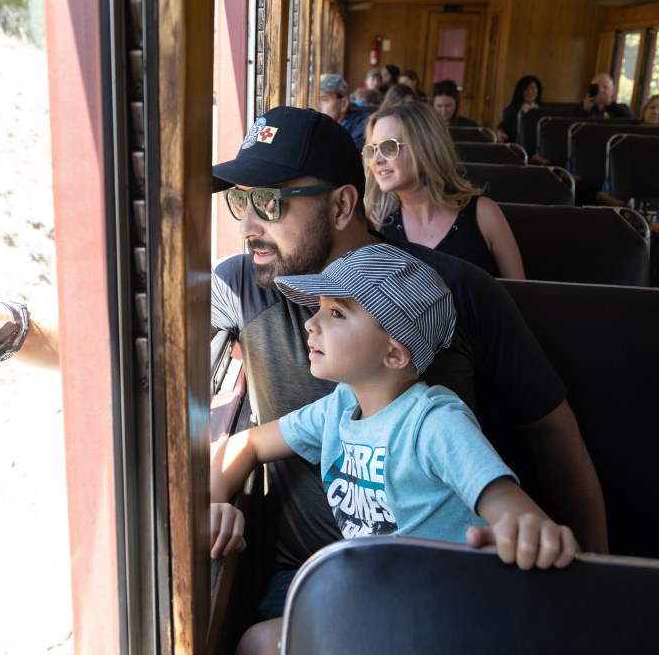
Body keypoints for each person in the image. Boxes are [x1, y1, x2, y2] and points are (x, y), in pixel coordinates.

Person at [211, 105, 606, 625]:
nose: (247, 227)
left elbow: (551, 434)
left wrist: (596, 588)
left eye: (269, 202)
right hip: (310, 579)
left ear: (341, 206)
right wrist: (209, 497)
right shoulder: (242, 283)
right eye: (241, 201)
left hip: (435, 586)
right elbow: (160, 353)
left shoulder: (455, 292)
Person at [210, 244, 577, 655]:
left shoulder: (434, 422)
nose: (311, 323)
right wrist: (216, 500)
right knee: (257, 642)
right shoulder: (340, 407)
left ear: (394, 352)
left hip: (444, 614)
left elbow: (507, 501)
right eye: (319, 308)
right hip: (380, 599)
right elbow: (250, 442)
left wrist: (526, 527)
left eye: (336, 313)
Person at [363, 103, 525, 279]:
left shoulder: (484, 214)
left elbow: (519, 294)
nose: (376, 160)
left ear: (425, 147)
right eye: (372, 150)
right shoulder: (375, 224)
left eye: (389, 147)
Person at [318, 73, 372, 152]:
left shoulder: (361, 127)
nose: (317, 106)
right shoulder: (323, 126)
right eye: (314, 99)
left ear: (343, 104)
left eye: (324, 99)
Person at [498, 75, 542, 142]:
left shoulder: (543, 110)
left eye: (533, 88)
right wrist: (499, 132)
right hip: (517, 148)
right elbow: (503, 128)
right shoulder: (511, 110)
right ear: (520, 91)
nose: (530, 92)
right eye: (526, 89)